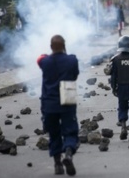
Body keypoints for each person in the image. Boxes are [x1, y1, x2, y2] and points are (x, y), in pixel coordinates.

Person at [37, 35, 79, 176]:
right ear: (64, 46)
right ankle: (68, 154)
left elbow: (40, 59)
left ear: (51, 47)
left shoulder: (45, 62)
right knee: (70, 131)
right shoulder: (72, 60)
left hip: (49, 103)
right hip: (67, 101)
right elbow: (75, 75)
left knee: (54, 134)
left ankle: (57, 164)